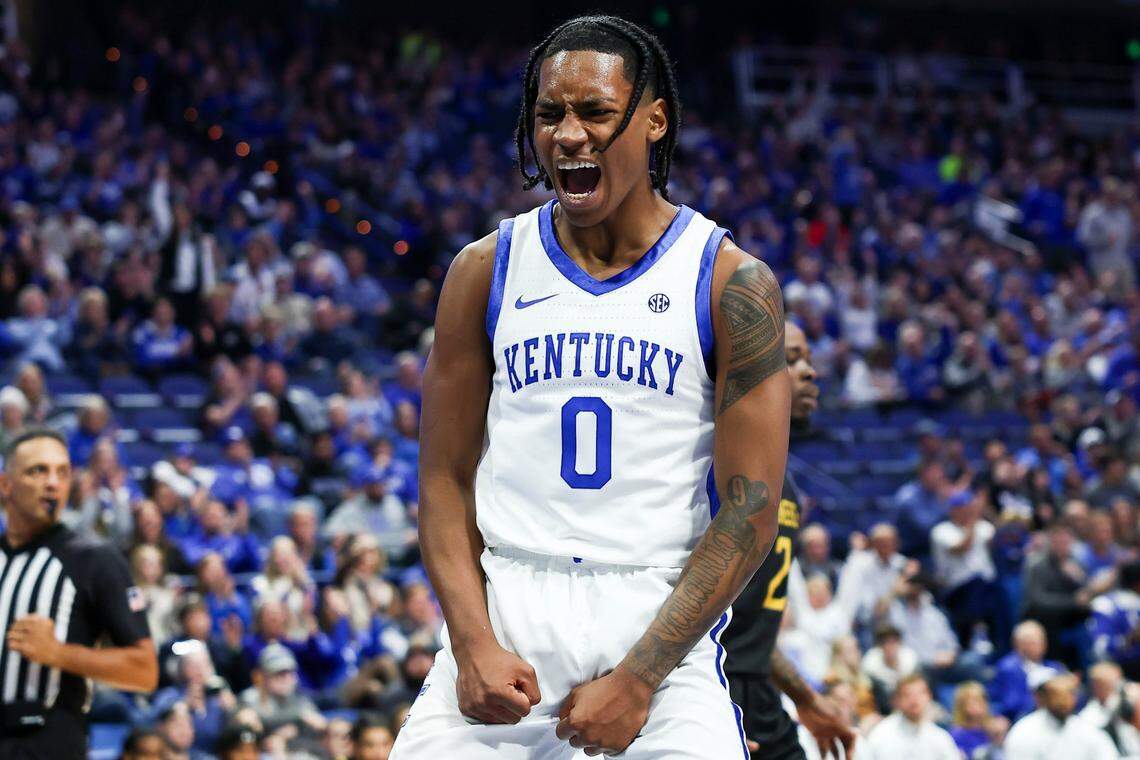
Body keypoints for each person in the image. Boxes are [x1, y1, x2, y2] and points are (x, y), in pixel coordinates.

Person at [392, 14, 792, 760]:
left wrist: (638, 680)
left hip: (657, 631)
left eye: (595, 112)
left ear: (654, 119)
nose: (567, 134)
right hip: (508, 615)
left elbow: (748, 514)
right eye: (549, 114)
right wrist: (472, 644)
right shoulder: (485, 269)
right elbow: (442, 480)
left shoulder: (731, 284)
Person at [721, 320, 854, 759]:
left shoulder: (786, 484)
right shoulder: (713, 467)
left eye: (810, 362)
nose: (810, 372)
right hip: (706, 685)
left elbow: (748, 635)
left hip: (752, 688)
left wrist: (806, 698)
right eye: (792, 359)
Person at [0, 428, 158, 758]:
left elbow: (144, 670)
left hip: (46, 742)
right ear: (5, 485)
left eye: (62, 472)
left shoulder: (94, 560)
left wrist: (58, 653)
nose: (53, 483)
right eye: (37, 470)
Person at [1004, 669, 1119, 759]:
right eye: (1057, 695)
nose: (1064, 701)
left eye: (1069, 694)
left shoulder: (1086, 728)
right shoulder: (1024, 731)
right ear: (1044, 698)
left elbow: (1107, 755)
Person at [863, 674, 960, 759]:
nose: (914, 701)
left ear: (929, 697)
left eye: (920, 693)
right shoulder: (881, 736)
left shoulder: (940, 737)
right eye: (908, 695)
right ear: (897, 701)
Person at [988, 620, 1065, 721]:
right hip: (1019, 720)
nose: (1038, 646)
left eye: (1040, 641)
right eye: (1032, 642)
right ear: (1018, 645)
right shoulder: (1007, 669)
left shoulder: (1055, 668)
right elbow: (1004, 703)